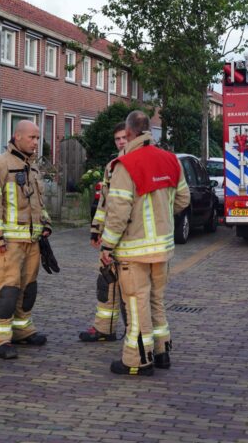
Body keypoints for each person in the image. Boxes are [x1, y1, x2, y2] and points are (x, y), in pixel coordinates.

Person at [100, 110, 190, 375]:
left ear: (127, 134)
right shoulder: (171, 160)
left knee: (136, 304)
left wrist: (107, 246)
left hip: (133, 250)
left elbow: (117, 212)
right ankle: (161, 352)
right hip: (162, 249)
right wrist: (162, 215)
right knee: (156, 301)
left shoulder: (125, 164)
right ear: (149, 130)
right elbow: (183, 201)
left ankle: (138, 359)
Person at [0, 120, 52, 359]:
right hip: (8, 245)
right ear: (17, 136)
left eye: (37, 138)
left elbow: (38, 202)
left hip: (31, 242)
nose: (35, 142)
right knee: (6, 289)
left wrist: (45, 224)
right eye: (32, 137)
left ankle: (22, 330)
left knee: (27, 289)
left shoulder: (32, 167)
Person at [80, 122, 128, 342]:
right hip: (110, 238)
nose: (120, 142)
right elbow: (104, 203)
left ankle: (134, 332)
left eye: (124, 138)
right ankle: (104, 329)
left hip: (128, 239)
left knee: (130, 291)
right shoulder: (112, 166)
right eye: (117, 139)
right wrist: (96, 229)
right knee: (106, 283)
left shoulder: (134, 165)